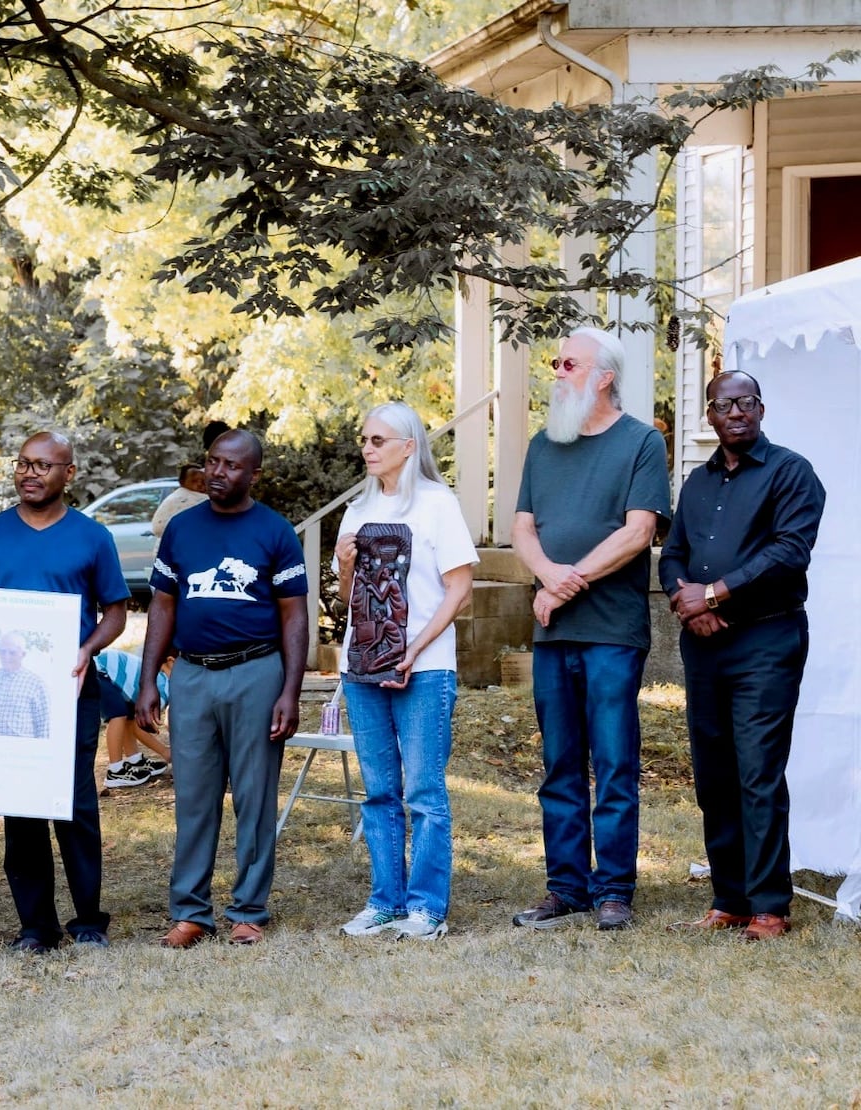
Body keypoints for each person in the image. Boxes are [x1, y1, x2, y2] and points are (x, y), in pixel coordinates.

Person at [510, 326, 671, 932]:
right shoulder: (542, 446)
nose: (557, 372)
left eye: (567, 363)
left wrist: (563, 582)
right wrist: (548, 575)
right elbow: (523, 528)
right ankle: (567, 887)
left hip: (611, 631)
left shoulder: (641, 442)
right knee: (559, 763)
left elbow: (638, 532)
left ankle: (614, 889)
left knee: (614, 761)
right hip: (553, 634)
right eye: (556, 363)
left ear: (603, 376)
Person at [660, 371, 825, 940]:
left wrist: (714, 592)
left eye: (746, 402)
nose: (736, 412)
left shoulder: (791, 473)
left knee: (757, 772)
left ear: (761, 408)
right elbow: (673, 552)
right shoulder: (698, 484)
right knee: (713, 773)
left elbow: (788, 552)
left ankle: (769, 907)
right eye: (724, 404)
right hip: (705, 643)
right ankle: (728, 898)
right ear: (708, 414)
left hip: (765, 639)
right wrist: (691, 605)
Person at [0, 431, 130, 951]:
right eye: (24, 464)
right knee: (21, 807)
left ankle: (89, 922)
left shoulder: (92, 537)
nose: (30, 474)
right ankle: (36, 927)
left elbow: (115, 612)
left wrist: (87, 649)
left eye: (44, 466)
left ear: (68, 474)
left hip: (71, 690)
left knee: (75, 806)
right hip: (5, 693)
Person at [136, 429, 310, 947]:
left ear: (254, 474)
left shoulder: (275, 532)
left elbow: (295, 616)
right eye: (213, 462)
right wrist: (148, 680)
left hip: (257, 673)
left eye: (232, 466)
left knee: (254, 797)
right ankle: (190, 913)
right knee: (193, 796)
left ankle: (249, 910)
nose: (218, 472)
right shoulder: (182, 529)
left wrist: (290, 692)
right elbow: (162, 605)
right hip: (190, 674)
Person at [333, 403, 477, 940]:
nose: (367, 448)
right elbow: (348, 599)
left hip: (425, 667)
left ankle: (426, 908)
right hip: (363, 666)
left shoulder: (438, 505)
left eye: (377, 440)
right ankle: (386, 902)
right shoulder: (356, 510)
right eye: (364, 439)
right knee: (378, 792)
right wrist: (346, 564)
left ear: (409, 445)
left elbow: (459, 590)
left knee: (423, 792)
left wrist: (413, 650)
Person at [96, 647, 171, 789]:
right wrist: (164, 751)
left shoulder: (158, 679)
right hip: (101, 671)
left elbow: (134, 722)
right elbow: (140, 726)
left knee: (128, 715)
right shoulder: (163, 687)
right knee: (118, 714)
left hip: (106, 669)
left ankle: (134, 760)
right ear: (171, 663)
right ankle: (115, 771)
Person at [0, 631, 50, 739]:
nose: (6, 656)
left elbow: (44, 726)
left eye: (12, 652)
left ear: (23, 654)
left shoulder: (36, 684)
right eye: (2, 651)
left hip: (21, 751)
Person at [150, 464, 208, 539]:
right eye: (194, 481)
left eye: (203, 481)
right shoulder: (175, 500)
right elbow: (158, 528)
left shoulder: (208, 499)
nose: (199, 484)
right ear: (182, 482)